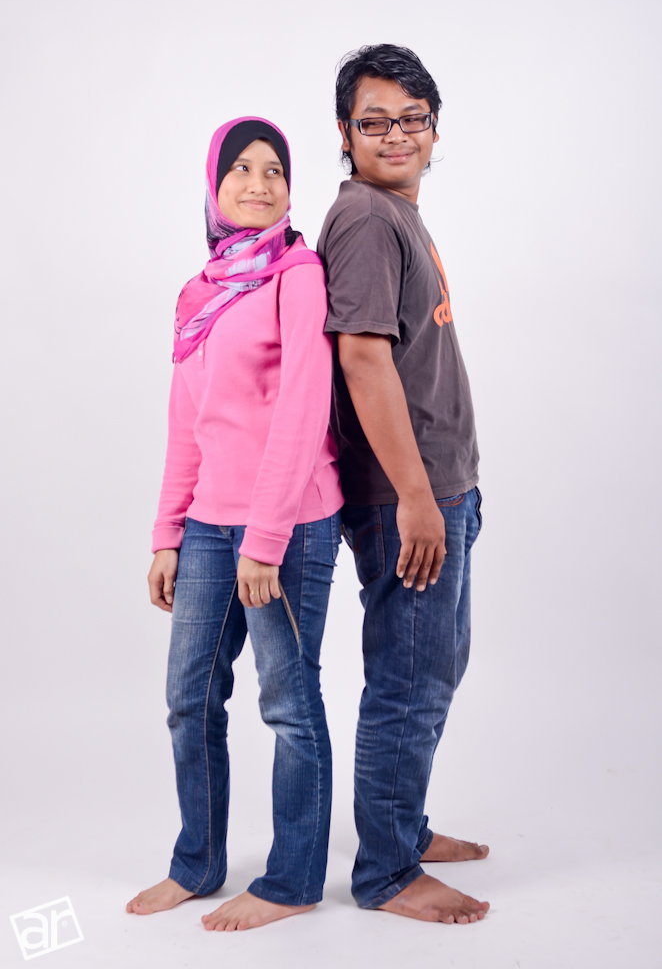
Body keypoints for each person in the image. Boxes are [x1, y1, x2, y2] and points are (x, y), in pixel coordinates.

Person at [126, 117, 344, 931]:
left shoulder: (298, 275)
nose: (259, 184)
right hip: (208, 527)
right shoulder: (201, 293)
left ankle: (293, 881)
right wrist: (167, 533)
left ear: (290, 188)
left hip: (289, 525)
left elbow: (303, 409)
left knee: (288, 703)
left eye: (274, 170)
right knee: (189, 698)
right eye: (241, 169)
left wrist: (265, 540)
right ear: (214, 186)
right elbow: (187, 422)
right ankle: (198, 863)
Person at [317, 45, 491, 924]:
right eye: (374, 120)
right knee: (408, 682)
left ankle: (403, 825)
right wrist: (416, 496)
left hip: (438, 491)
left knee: (435, 666)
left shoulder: (394, 213)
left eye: (411, 118)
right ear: (345, 133)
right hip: (405, 500)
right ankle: (387, 871)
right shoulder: (364, 219)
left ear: (434, 128)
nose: (396, 135)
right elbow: (360, 356)